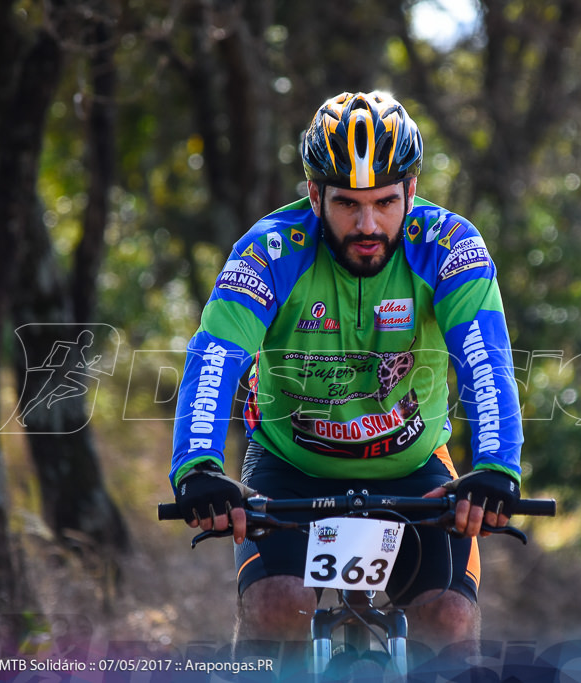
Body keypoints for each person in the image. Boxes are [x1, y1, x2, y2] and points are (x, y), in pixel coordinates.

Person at [169, 91, 524, 654]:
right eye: (346, 204)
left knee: (450, 621)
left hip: (413, 468)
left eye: (385, 202)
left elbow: (485, 360)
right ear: (314, 194)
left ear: (411, 191)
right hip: (290, 466)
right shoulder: (269, 250)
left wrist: (497, 466)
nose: (367, 224)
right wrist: (197, 466)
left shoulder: (449, 245)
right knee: (276, 607)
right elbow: (215, 355)